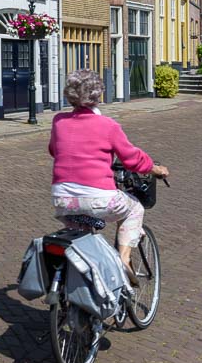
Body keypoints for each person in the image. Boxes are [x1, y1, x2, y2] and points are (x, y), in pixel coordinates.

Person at [49, 69, 169, 286]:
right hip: (98, 199)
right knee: (135, 208)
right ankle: (124, 259)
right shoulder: (108, 126)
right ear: (98, 94)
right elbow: (132, 159)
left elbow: (54, 149)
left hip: (62, 200)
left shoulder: (58, 121)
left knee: (84, 240)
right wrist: (155, 169)